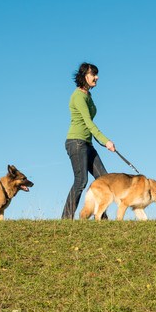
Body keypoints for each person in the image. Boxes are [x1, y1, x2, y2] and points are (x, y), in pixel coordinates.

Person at [62, 62, 116, 219]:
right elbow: (88, 122)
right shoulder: (78, 96)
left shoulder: (88, 95)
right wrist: (105, 141)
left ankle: (101, 218)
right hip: (76, 142)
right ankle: (66, 218)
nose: (96, 77)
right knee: (81, 181)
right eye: (93, 74)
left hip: (87, 143)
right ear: (84, 76)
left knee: (104, 179)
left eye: (96, 74)